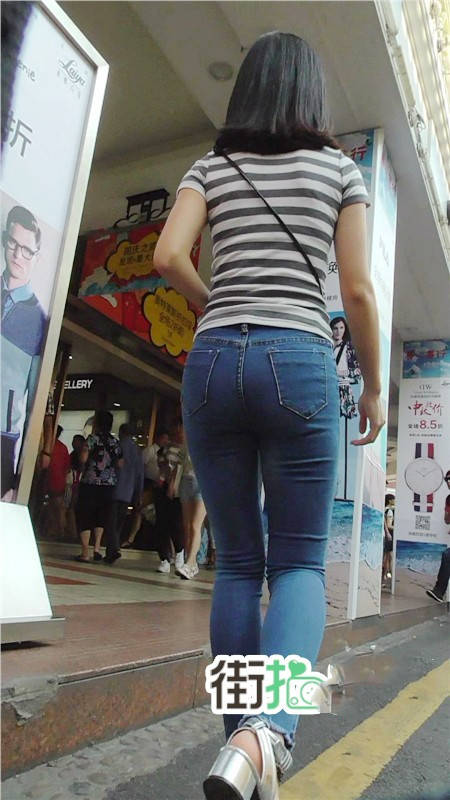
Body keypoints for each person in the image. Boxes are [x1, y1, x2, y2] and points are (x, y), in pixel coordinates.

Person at [154, 31, 384, 799]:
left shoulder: (211, 166)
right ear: (310, 94)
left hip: (214, 361)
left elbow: (167, 255)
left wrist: (215, 300)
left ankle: (239, 743)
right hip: (298, 360)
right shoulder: (338, 171)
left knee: (238, 565)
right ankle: (267, 735)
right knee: (298, 564)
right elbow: (357, 291)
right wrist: (374, 386)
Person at [1, 205, 46, 498]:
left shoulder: (39, 320)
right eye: (13, 244)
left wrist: (19, 475)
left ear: (36, 256)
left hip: (3, 438)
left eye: (27, 250)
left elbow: (33, 406)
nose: (18, 255)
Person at [74, 410, 123, 563]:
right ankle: (96, 549)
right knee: (101, 517)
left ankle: (85, 552)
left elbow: (83, 458)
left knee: (85, 515)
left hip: (90, 483)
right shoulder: (115, 442)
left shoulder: (92, 439)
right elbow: (120, 464)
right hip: (108, 485)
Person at [122, 429, 171, 549]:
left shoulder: (166, 453)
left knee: (155, 513)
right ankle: (131, 539)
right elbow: (141, 467)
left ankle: (152, 541)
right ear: (158, 438)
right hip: (148, 483)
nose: (166, 441)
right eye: (164, 438)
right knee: (140, 510)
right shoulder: (149, 450)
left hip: (160, 485)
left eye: (167, 439)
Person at [105, 424, 144, 564]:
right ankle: (112, 550)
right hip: (128, 492)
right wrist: (139, 493)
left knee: (110, 521)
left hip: (113, 488)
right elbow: (140, 474)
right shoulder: (137, 451)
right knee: (119, 523)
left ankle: (113, 549)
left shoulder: (117, 445)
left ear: (121, 432)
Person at [174, 432, 206, 580]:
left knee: (195, 525)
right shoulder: (188, 438)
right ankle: (190, 563)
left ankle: (191, 561)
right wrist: (174, 484)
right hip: (186, 481)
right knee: (186, 525)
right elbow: (180, 463)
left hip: (204, 482)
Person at [155, 427, 185, 574]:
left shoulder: (186, 449)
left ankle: (179, 553)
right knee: (161, 524)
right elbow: (163, 466)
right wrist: (163, 479)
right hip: (163, 487)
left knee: (176, 524)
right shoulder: (166, 449)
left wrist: (173, 484)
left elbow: (179, 468)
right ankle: (164, 559)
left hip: (180, 490)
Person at [426, 470, 450, 603]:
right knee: (447, 556)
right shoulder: (449, 499)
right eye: (447, 480)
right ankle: (439, 592)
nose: (449, 483)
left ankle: (439, 591)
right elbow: (447, 520)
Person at [46, 425, 70, 536]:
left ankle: (54, 529)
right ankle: (60, 530)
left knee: (52, 507)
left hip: (49, 479)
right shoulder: (63, 448)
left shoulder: (48, 446)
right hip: (60, 481)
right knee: (59, 508)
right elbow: (67, 467)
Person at [382, 495, 395, 587]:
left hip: (385, 535)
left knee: (387, 557)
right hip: (388, 536)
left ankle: (385, 577)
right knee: (387, 558)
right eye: (394, 499)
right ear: (390, 501)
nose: (395, 501)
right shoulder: (389, 511)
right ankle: (384, 578)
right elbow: (389, 525)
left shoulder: (385, 509)